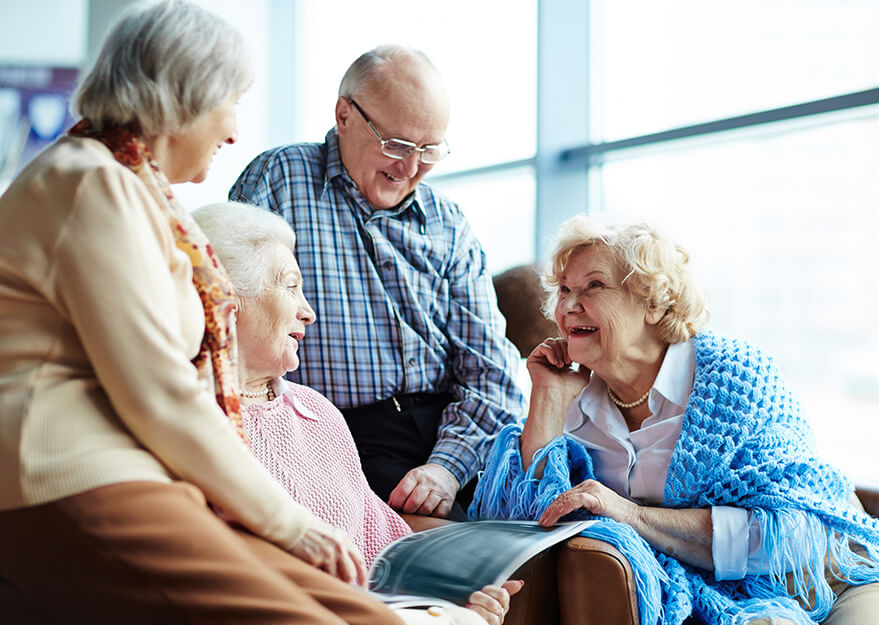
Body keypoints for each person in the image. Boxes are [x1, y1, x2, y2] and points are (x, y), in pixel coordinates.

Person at [0, 2, 402, 624]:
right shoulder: (89, 184)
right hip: (65, 476)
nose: (236, 129)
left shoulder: (131, 190)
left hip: (131, 476)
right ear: (184, 96)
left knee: (371, 615)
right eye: (231, 101)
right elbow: (159, 394)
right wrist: (291, 525)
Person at [472, 216, 879, 625]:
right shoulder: (571, 392)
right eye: (564, 290)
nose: (569, 305)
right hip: (721, 592)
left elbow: (789, 530)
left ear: (652, 303)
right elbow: (521, 527)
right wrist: (547, 400)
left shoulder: (736, 377)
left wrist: (631, 515)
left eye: (593, 286)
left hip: (828, 573)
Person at [230, 45, 526, 520]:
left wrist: (446, 469)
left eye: (429, 150)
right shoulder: (281, 177)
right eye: (397, 144)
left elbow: (494, 373)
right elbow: (236, 319)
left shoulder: (448, 222)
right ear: (344, 115)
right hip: (332, 434)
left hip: (451, 436)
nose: (410, 168)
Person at [193, 200, 523, 625]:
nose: (308, 311)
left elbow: (383, 543)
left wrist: (455, 591)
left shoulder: (317, 413)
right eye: (291, 287)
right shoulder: (185, 421)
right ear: (226, 299)